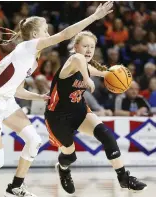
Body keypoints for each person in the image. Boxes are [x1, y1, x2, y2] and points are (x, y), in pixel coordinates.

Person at [0, 2, 114, 197]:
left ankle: (16, 185)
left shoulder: (32, 61)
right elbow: (65, 35)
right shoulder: (27, 46)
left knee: (34, 140)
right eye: (46, 31)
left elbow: (16, 90)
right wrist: (94, 17)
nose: (49, 35)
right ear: (35, 35)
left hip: (6, 101)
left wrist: (38, 96)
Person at [44, 31, 147, 194]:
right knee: (69, 157)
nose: (89, 49)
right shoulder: (71, 61)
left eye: (92, 47)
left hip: (79, 111)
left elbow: (100, 72)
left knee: (107, 136)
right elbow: (78, 60)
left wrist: (113, 75)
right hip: (58, 117)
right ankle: (63, 169)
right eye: (85, 46)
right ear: (76, 47)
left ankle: (124, 178)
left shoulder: (88, 67)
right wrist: (86, 78)